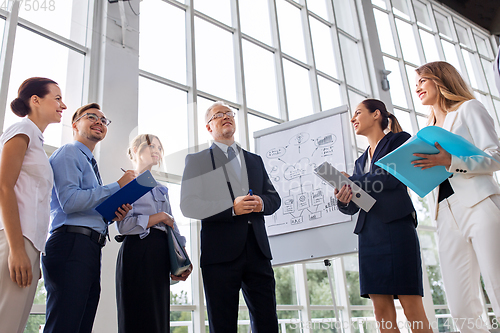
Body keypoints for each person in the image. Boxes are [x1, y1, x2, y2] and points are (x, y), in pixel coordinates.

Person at [413, 61, 500, 333]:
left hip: (479, 204)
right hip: (445, 213)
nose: (417, 87)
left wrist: (451, 160)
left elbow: (495, 156)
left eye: (422, 81)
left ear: (440, 80)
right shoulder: (427, 126)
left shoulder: (468, 108)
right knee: (460, 306)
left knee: (497, 285)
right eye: (416, 83)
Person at [180, 101, 281, 332]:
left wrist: (261, 203)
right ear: (208, 128)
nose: (225, 117)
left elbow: (274, 198)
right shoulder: (197, 161)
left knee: (268, 322)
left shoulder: (255, 160)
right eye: (218, 115)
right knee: (223, 325)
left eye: (229, 113)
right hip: (220, 255)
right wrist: (231, 208)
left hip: (258, 251)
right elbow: (188, 205)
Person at [335, 99, 432, 333]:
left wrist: (353, 181)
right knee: (381, 313)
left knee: (412, 307)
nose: (352, 118)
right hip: (369, 235)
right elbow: (355, 204)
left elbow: (392, 178)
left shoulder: (399, 140)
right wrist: (343, 197)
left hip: (397, 229)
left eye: (358, 113)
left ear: (376, 114)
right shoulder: (360, 161)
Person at [41, 103, 135, 333]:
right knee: (65, 324)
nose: (99, 122)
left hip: (89, 248)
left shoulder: (90, 165)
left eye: (104, 120)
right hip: (71, 246)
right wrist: (117, 186)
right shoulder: (69, 152)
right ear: (75, 125)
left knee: (81, 325)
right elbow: (71, 202)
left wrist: (112, 214)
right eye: (91, 117)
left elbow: (85, 206)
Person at [0, 78, 66, 333]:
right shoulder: (22, 130)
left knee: (14, 324)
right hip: (15, 241)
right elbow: (4, 187)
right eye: (57, 98)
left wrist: (32, 253)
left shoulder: (36, 141)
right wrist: (17, 250)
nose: (63, 104)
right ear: (35, 100)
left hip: (29, 244)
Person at [115, 134, 192, 333]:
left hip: (160, 252)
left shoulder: (161, 189)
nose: (157, 150)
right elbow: (124, 226)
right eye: (151, 146)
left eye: (159, 147)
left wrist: (183, 258)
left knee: (158, 317)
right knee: (137, 315)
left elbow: (172, 225)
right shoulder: (127, 183)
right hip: (137, 251)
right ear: (136, 151)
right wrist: (159, 217)